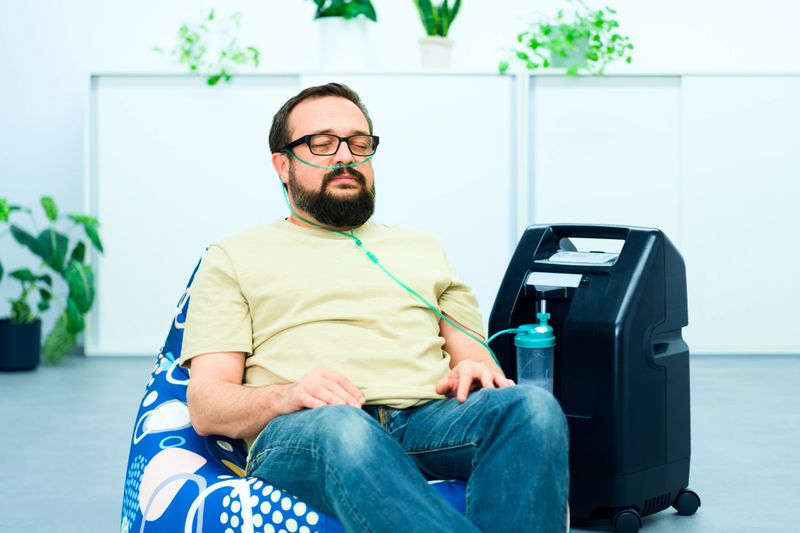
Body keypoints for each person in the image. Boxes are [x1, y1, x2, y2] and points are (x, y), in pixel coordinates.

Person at [179, 82, 569, 532]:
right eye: (322, 144)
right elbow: (207, 405)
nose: (344, 156)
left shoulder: (424, 248)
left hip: (426, 420)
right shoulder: (233, 255)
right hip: (310, 430)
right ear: (282, 165)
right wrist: (286, 395)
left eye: (358, 143)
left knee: (533, 409)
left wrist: (475, 370)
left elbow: (474, 358)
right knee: (344, 427)